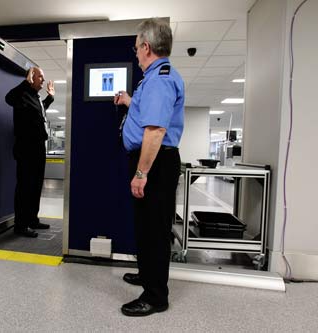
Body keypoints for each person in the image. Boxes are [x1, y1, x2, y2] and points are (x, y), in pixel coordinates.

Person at [114, 18, 184, 316]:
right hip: (153, 160)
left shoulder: (160, 78)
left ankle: (156, 296)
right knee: (146, 226)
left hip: (155, 162)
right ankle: (148, 274)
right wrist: (131, 102)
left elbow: (154, 131)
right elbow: (148, 114)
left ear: (146, 46)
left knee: (154, 229)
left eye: (136, 48)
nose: (136, 54)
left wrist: (141, 173)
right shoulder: (155, 78)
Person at [5, 67, 55, 238]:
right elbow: (8, 98)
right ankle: (21, 225)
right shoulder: (21, 94)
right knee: (25, 187)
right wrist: (24, 83)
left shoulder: (36, 98)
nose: (43, 79)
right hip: (26, 148)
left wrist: (51, 98)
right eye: (40, 76)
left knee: (36, 185)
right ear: (31, 78)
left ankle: (32, 219)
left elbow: (39, 113)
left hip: (38, 147)